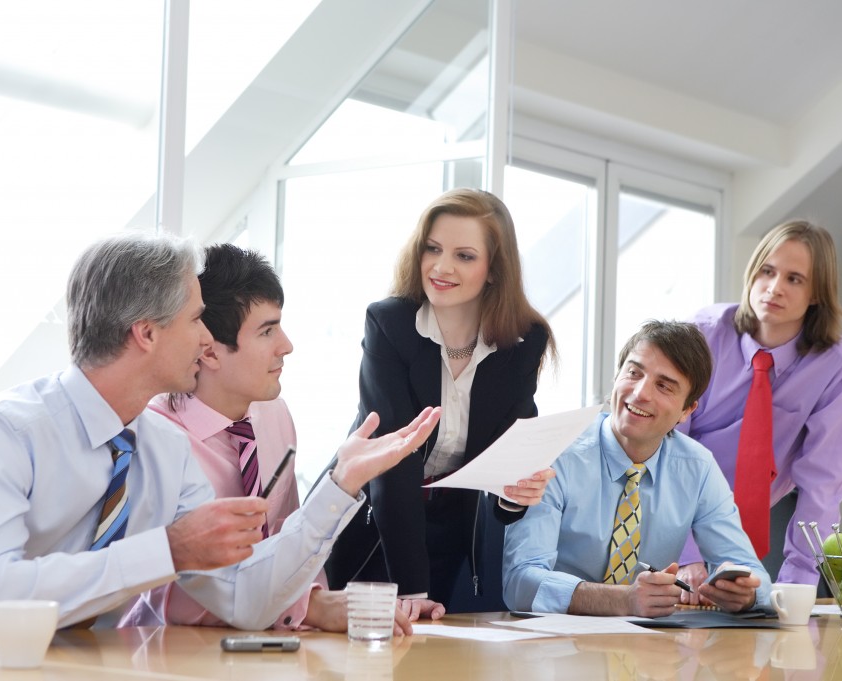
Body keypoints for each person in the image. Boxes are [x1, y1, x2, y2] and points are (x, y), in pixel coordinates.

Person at [0, 233, 441, 641]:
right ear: (146, 333)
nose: (205, 338)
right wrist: (166, 549)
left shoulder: (161, 453)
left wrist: (340, 484)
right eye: (195, 319)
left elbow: (244, 599)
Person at [122, 243, 444, 631]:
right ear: (208, 351)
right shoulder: (155, 438)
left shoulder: (272, 413)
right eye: (267, 330)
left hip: (270, 644)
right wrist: (312, 609)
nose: (286, 346)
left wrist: (318, 599)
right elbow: (189, 594)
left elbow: (286, 535)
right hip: (170, 648)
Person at [324, 188, 557, 612]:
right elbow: (392, 459)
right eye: (432, 249)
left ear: (493, 269)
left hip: (451, 528)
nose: (441, 267)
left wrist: (514, 491)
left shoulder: (524, 341)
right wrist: (412, 590)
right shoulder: (390, 324)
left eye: (464, 256)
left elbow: (508, 449)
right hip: (373, 518)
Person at [503, 320, 770, 617]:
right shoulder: (554, 453)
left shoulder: (698, 467)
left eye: (664, 386)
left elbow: (753, 574)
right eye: (634, 373)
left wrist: (746, 595)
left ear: (687, 411)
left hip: (646, 649)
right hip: (551, 649)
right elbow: (520, 583)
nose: (641, 393)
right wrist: (622, 600)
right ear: (616, 376)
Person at [675, 220, 842, 594]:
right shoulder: (703, 333)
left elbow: (822, 484)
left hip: (746, 528)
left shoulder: (836, 364)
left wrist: (797, 585)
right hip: (672, 515)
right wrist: (687, 555)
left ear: (816, 294)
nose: (774, 288)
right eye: (768, 271)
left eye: (795, 279)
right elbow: (667, 447)